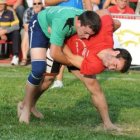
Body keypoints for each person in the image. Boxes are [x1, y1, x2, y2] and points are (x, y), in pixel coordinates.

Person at [18, 10, 132, 131]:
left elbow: (71, 59)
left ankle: (107, 123)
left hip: (67, 50)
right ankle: (26, 105)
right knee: (47, 80)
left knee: (94, 86)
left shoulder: (98, 66)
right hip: (60, 44)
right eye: (115, 64)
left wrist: (60, 42)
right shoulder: (105, 33)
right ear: (116, 52)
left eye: (114, 69)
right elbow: (106, 14)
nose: (110, 68)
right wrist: (106, 23)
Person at [17, 6, 101, 124]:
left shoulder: (86, 17)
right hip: (39, 27)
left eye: (90, 34)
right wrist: (73, 62)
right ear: (78, 22)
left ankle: (30, 105)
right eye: (86, 33)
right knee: (38, 70)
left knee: (49, 78)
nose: (87, 37)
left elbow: (113, 21)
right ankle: (25, 108)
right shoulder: (62, 23)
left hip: (55, 32)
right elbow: (55, 53)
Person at [46, 0, 92, 89]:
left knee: (74, 51)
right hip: (62, 20)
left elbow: (88, 3)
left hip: (78, 23)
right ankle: (58, 80)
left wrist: (90, 19)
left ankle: (89, 81)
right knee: (60, 49)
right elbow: (47, 2)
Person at [20, 0, 44, 66]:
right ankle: (24, 58)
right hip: (31, 30)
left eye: (39, 3)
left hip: (43, 30)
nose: (37, 5)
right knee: (26, 33)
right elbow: (26, 26)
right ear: (32, 4)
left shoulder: (45, 11)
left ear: (42, 4)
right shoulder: (28, 11)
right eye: (35, 3)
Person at [0, 0, 21, 65]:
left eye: (2, 4)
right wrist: (1, 33)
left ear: (5, 4)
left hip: (8, 33)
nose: (0, 6)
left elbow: (16, 26)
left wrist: (5, 31)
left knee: (16, 33)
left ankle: (15, 56)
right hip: (1, 33)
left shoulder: (10, 12)